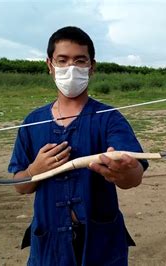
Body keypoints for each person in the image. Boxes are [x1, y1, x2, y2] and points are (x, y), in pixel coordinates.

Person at [8, 26, 149, 266]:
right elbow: (20, 187)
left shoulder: (109, 118)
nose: (71, 68)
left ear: (91, 66)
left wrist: (125, 171)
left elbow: (134, 176)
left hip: (100, 245)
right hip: (49, 245)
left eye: (80, 60)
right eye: (62, 60)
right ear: (49, 65)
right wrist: (35, 171)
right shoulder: (33, 122)